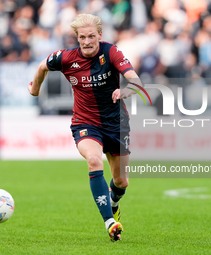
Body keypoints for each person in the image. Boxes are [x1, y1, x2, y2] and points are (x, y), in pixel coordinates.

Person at [28, 13, 142, 242]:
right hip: (85, 123)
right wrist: (35, 90)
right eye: (82, 37)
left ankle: (114, 202)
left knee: (121, 182)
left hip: (116, 123)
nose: (87, 41)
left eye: (92, 36)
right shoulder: (66, 58)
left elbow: (136, 81)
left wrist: (126, 91)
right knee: (93, 160)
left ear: (100, 35)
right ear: (77, 38)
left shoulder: (111, 52)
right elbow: (42, 67)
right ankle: (110, 222)